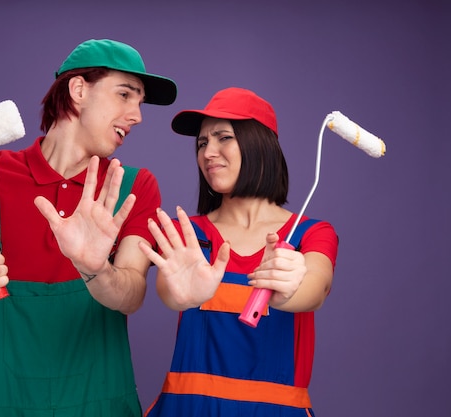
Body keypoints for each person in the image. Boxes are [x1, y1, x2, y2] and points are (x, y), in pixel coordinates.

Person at [0, 39, 177, 417]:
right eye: (125, 95)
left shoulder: (131, 187)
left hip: (101, 406)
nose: (137, 115)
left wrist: (96, 268)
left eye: (139, 103)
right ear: (78, 90)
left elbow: (131, 297)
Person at [138, 87, 338, 417]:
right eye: (202, 143)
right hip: (185, 409)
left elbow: (314, 289)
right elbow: (171, 293)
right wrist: (180, 294)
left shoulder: (310, 234)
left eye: (223, 138)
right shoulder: (187, 234)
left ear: (259, 144)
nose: (207, 152)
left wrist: (289, 286)